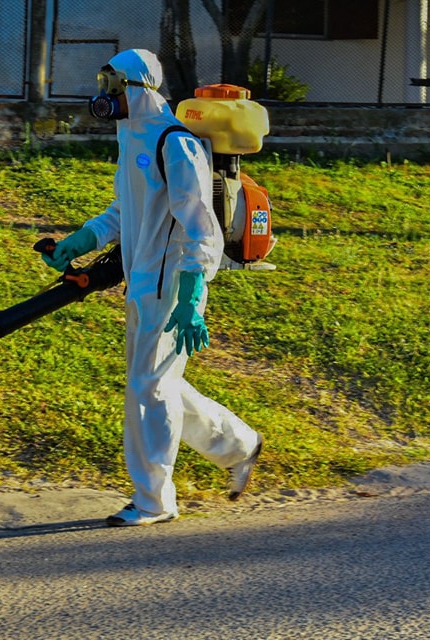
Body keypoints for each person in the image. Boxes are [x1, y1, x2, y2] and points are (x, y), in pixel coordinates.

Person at [42, 49, 263, 527]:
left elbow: (201, 228)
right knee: (157, 383)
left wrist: (191, 299)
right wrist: (80, 240)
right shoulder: (133, 136)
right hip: (143, 280)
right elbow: (123, 210)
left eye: (113, 86)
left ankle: (154, 501)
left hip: (174, 284)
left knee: (150, 388)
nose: (105, 96)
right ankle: (239, 445)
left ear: (139, 88)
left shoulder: (175, 143)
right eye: (103, 84)